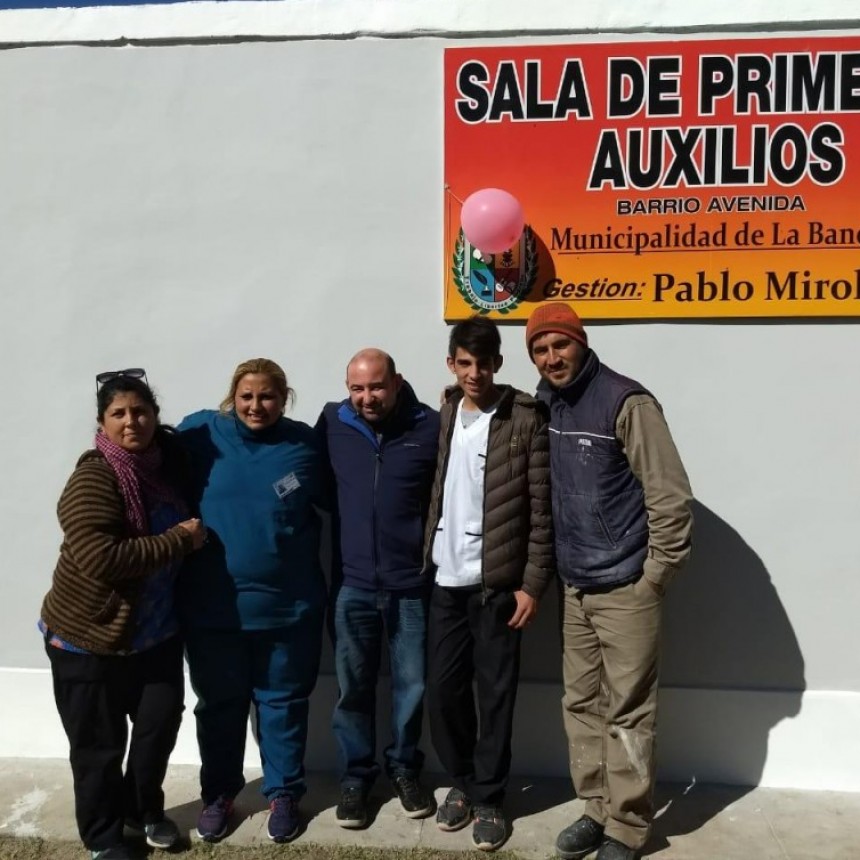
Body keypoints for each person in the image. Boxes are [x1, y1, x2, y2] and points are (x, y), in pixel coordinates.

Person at [524, 304, 694, 860]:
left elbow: (669, 494)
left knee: (628, 711)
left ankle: (626, 825)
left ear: (581, 342)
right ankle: (595, 808)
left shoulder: (627, 402)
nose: (552, 358)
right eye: (540, 350)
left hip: (626, 585)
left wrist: (655, 577)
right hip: (575, 586)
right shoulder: (547, 401)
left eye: (560, 345)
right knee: (581, 704)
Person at [39, 369, 206, 860]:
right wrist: (178, 540)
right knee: (99, 747)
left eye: (140, 411)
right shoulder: (94, 477)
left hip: (155, 634)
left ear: (154, 415)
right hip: (89, 639)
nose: (131, 421)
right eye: (119, 413)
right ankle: (104, 838)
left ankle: (141, 809)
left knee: (157, 728)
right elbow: (101, 558)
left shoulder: (165, 466)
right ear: (102, 423)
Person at [177, 358, 328, 845]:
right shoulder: (201, 434)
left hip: (288, 610)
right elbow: (147, 458)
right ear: (232, 397)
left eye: (267, 396)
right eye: (247, 396)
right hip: (214, 610)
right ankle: (219, 794)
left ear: (284, 398)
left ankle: (283, 794)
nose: (256, 405)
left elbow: (342, 495)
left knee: (283, 705)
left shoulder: (305, 445)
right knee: (219, 707)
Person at [424, 316, 554, 852]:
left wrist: (533, 584)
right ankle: (462, 781)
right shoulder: (447, 411)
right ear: (451, 363)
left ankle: (490, 798)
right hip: (445, 578)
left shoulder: (524, 417)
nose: (474, 372)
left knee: (496, 696)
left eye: (483, 363)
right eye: (464, 362)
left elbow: (542, 509)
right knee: (442, 691)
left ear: (498, 363)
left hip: (497, 583)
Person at [316, 349, 440, 828]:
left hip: (410, 585)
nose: (367, 397)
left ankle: (405, 768)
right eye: (357, 388)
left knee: (412, 687)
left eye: (376, 386)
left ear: (397, 382)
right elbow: (317, 486)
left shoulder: (429, 426)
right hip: (352, 584)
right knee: (353, 688)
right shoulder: (333, 423)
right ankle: (356, 777)